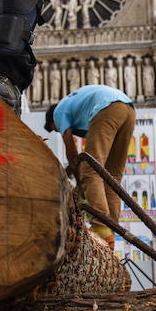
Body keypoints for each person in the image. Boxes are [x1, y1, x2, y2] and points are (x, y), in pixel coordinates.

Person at [44, 84, 135, 248]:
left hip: (108, 107)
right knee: (111, 177)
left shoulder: (59, 111)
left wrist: (80, 180)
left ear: (52, 122)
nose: (59, 130)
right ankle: (110, 234)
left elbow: (71, 149)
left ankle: (101, 226)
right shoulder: (78, 109)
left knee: (90, 170)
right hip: (128, 109)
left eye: (55, 129)